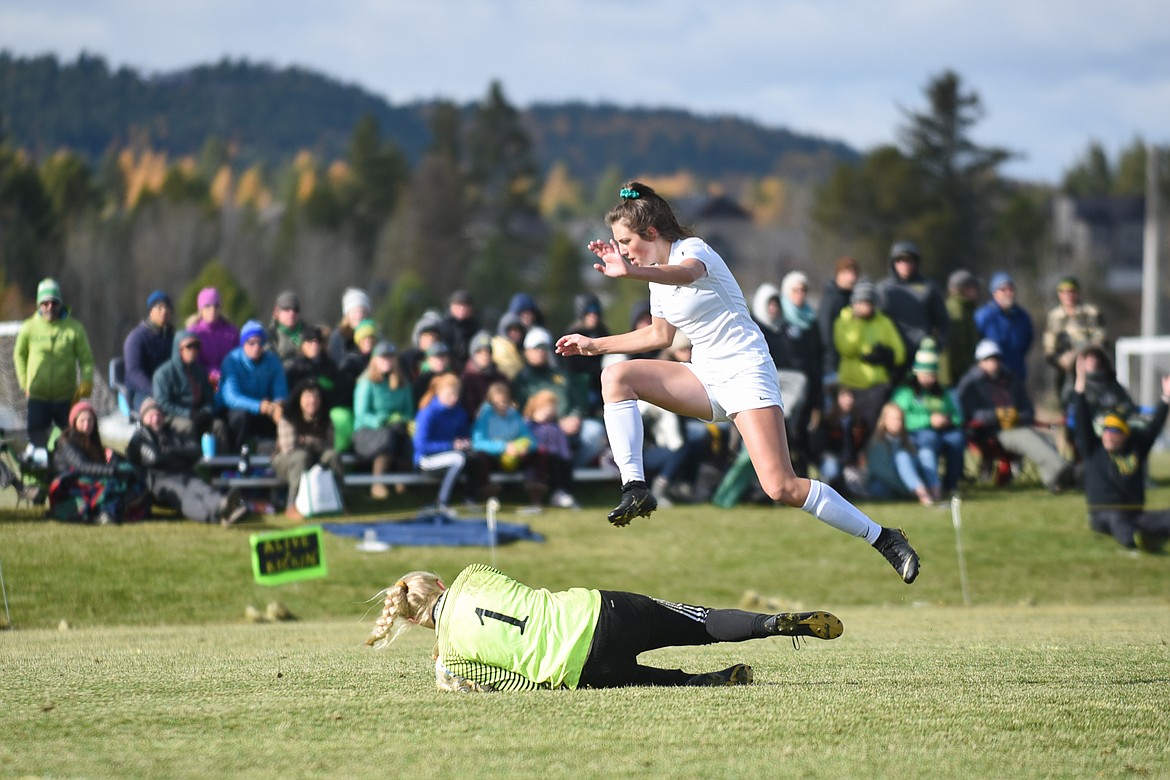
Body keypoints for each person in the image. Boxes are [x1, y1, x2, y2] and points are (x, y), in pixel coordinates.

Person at [556, 182, 919, 583]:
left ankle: (883, 538)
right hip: (705, 375)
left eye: (625, 241)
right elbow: (659, 337)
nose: (622, 250)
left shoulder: (693, 251)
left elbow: (687, 275)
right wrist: (595, 345)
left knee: (781, 487)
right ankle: (635, 487)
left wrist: (632, 271)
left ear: (652, 233)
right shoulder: (655, 277)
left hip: (747, 372)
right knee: (616, 376)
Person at [364, 564, 843, 691]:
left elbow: (510, 680)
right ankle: (769, 623)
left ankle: (711, 681)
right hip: (599, 610)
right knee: (696, 623)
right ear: (441, 583)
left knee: (658, 681)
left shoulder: (451, 656)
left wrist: (448, 669)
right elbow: (517, 589)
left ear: (413, 620)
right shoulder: (472, 575)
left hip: (582, 667)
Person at [1073, 355, 1170, 552]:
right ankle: (1134, 541)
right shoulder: (1093, 449)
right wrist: (1080, 385)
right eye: (1106, 430)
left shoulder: (1136, 447)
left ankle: (1145, 533)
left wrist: (1166, 398)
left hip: (1135, 514)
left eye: (1114, 431)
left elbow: (1155, 426)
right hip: (1103, 515)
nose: (1108, 435)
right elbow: (1082, 417)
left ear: (1125, 435)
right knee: (1119, 522)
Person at [957, 339, 1073, 493]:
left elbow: (1028, 410)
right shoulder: (970, 383)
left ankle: (1055, 482)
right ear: (980, 362)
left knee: (1049, 437)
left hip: (1019, 425)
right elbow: (969, 413)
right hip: (991, 432)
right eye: (988, 359)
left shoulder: (1011, 380)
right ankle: (1063, 470)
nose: (993, 363)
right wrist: (997, 415)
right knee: (1028, 438)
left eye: (996, 358)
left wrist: (1017, 416)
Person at [126, 397, 248, 526]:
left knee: (202, 487)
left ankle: (222, 505)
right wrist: (178, 454)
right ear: (143, 419)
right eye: (151, 416)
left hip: (183, 474)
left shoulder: (172, 432)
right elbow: (155, 458)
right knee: (185, 495)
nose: (156, 418)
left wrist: (168, 450)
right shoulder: (140, 438)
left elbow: (195, 450)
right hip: (159, 481)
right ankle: (217, 517)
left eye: (158, 415)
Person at [13, 277, 95, 447]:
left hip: (66, 398)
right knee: (37, 445)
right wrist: (24, 383)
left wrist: (87, 380)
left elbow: (86, 359)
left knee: (70, 444)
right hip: (38, 398)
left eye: (54, 303)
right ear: (39, 304)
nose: (50, 307)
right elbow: (19, 355)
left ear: (60, 304)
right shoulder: (28, 328)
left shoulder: (74, 328)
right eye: (45, 303)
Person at [515, 326, 606, 468]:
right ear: (527, 351)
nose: (541, 352)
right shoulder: (522, 381)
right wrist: (558, 424)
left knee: (595, 430)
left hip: (571, 426)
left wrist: (575, 417)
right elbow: (525, 413)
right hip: (540, 428)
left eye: (544, 348)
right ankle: (557, 470)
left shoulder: (560, 375)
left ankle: (571, 469)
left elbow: (577, 403)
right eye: (536, 348)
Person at [47, 400, 145, 525]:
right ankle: (107, 513)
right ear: (74, 422)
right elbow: (82, 466)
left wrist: (118, 462)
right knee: (111, 485)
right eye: (82, 421)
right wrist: (114, 471)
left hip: (87, 480)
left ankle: (110, 512)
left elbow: (101, 464)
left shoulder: (93, 442)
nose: (86, 424)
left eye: (90, 420)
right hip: (68, 485)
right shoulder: (68, 442)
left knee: (129, 478)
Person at [890, 340, 966, 495]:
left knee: (957, 439)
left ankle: (951, 485)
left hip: (944, 432)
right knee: (928, 437)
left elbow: (958, 416)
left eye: (932, 375)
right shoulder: (905, 392)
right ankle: (930, 484)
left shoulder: (942, 392)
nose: (930, 379)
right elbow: (898, 418)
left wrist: (948, 420)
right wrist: (929, 421)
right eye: (926, 375)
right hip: (916, 435)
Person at [833, 278, 906, 437]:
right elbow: (846, 348)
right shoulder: (844, 321)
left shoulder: (883, 322)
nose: (865, 306)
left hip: (877, 388)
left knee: (873, 431)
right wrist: (858, 322)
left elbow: (900, 353)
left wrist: (885, 355)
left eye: (869, 302)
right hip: (851, 386)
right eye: (861, 302)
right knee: (852, 430)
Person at [412, 373, 491, 510]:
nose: (454, 399)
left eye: (456, 395)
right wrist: (450, 445)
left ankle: (469, 499)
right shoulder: (427, 413)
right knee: (458, 458)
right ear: (439, 393)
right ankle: (442, 503)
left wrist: (465, 443)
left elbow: (464, 435)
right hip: (425, 461)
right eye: (450, 395)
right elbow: (421, 446)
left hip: (450, 455)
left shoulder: (459, 412)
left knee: (475, 457)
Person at [272, 380, 345, 520]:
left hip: (315, 458)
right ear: (299, 398)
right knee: (301, 457)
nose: (312, 401)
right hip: (286, 461)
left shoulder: (326, 419)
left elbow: (329, 446)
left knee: (333, 455)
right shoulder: (288, 418)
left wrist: (306, 441)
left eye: (316, 397)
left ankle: (340, 501)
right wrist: (315, 443)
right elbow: (290, 448)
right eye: (307, 396)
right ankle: (291, 505)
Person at [352, 341, 414, 498]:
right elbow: (361, 414)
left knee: (405, 437)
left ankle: (402, 483)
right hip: (366, 432)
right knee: (388, 436)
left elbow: (409, 411)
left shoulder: (403, 383)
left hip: (395, 428)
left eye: (390, 357)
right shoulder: (366, 383)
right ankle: (378, 483)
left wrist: (402, 419)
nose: (387, 361)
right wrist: (381, 421)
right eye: (383, 358)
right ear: (375, 360)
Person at [217, 321, 288, 452]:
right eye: (251, 343)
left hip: (264, 410)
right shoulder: (232, 360)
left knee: (285, 415)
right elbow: (231, 398)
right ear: (243, 343)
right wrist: (261, 406)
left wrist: (279, 405)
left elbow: (280, 390)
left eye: (260, 342)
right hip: (234, 412)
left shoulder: (272, 361)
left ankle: (276, 455)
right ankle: (234, 458)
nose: (256, 347)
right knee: (241, 416)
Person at [876, 240, 949, 368]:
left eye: (909, 260)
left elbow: (943, 321)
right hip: (892, 356)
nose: (904, 264)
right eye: (900, 260)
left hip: (922, 356)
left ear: (916, 262)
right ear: (893, 263)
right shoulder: (883, 290)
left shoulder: (929, 288)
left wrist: (937, 346)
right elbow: (876, 322)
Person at [1043, 276, 1107, 398]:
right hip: (1065, 369)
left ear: (1077, 293)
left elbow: (1100, 340)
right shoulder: (1054, 316)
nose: (1068, 296)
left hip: (1091, 365)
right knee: (1066, 399)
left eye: (1071, 292)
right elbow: (1049, 347)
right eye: (1064, 292)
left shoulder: (1091, 312)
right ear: (1059, 294)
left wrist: (1086, 358)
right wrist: (1062, 360)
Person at [865, 403, 937, 506]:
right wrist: (908, 490)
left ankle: (935, 491)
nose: (897, 423)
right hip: (889, 483)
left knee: (925, 453)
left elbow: (917, 463)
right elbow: (885, 474)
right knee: (901, 457)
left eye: (900, 419)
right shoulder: (877, 443)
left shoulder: (908, 440)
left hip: (910, 482)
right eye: (893, 419)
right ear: (884, 420)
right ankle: (921, 493)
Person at [471, 381, 535, 497]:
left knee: (539, 452)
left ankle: (534, 489)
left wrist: (524, 448)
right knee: (480, 456)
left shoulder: (515, 415)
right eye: (497, 402)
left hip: (515, 457)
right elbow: (477, 443)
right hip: (493, 458)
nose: (501, 405)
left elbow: (530, 439)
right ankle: (486, 488)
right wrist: (503, 447)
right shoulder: (484, 416)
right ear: (490, 402)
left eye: (504, 402)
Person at [151, 330, 217, 437]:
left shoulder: (201, 372)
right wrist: (188, 413)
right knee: (188, 426)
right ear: (179, 349)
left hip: (198, 414)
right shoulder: (163, 373)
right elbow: (162, 403)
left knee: (218, 426)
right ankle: (190, 454)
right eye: (189, 346)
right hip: (173, 417)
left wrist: (205, 412)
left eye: (196, 346)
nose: (193, 350)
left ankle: (224, 454)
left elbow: (209, 398)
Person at [523, 389, 579, 509]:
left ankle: (564, 492)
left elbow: (562, 444)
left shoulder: (555, 426)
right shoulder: (528, 425)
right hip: (536, 458)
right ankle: (554, 493)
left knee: (564, 464)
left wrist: (566, 456)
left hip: (557, 458)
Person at [975, 272, 1034, 383]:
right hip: (991, 379)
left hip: (1016, 375)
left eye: (1011, 289)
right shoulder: (984, 316)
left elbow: (1028, 340)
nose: (1009, 293)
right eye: (1003, 290)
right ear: (994, 293)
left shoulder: (1022, 316)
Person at [123, 290, 176, 412]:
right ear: (150, 311)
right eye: (159, 307)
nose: (164, 311)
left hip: (168, 389)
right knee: (155, 414)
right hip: (142, 391)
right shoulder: (136, 337)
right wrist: (156, 390)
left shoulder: (172, 336)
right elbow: (133, 372)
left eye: (167, 307)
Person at [561, 292, 610, 416]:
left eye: (596, 313)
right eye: (589, 313)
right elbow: (572, 368)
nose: (593, 316)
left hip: (601, 381)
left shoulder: (602, 331)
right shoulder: (573, 333)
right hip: (582, 386)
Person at [817, 256, 859, 384]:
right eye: (846, 272)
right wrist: (832, 358)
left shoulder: (854, 298)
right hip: (832, 365)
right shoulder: (831, 298)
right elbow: (825, 333)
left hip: (850, 366)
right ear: (838, 275)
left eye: (853, 273)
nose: (851, 277)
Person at [187, 287, 238, 387]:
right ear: (200, 309)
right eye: (207, 306)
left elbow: (237, 359)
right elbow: (192, 364)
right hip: (201, 382)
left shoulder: (231, 332)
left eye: (216, 306)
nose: (212, 310)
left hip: (230, 381)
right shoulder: (192, 333)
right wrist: (213, 374)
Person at [941, 269, 981, 388]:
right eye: (973, 287)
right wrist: (962, 372)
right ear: (962, 289)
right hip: (957, 376)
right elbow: (955, 346)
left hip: (962, 373)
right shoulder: (956, 311)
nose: (976, 291)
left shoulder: (965, 309)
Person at [460, 330, 508, 420]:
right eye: (479, 352)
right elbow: (469, 409)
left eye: (487, 352)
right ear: (473, 354)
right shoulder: (467, 379)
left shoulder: (500, 378)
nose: (484, 355)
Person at [328, 287, 373, 366]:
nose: (359, 315)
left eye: (363, 311)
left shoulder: (373, 334)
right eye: (355, 311)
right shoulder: (339, 336)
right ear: (347, 314)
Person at [438, 289, 480, 371]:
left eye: (465, 306)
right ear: (451, 306)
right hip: (449, 367)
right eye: (459, 305)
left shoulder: (476, 327)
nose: (462, 309)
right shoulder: (443, 326)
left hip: (471, 369)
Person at [267, 290, 309, 363]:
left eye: (295, 309)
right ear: (277, 312)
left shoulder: (309, 333)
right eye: (287, 308)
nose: (292, 313)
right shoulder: (271, 336)